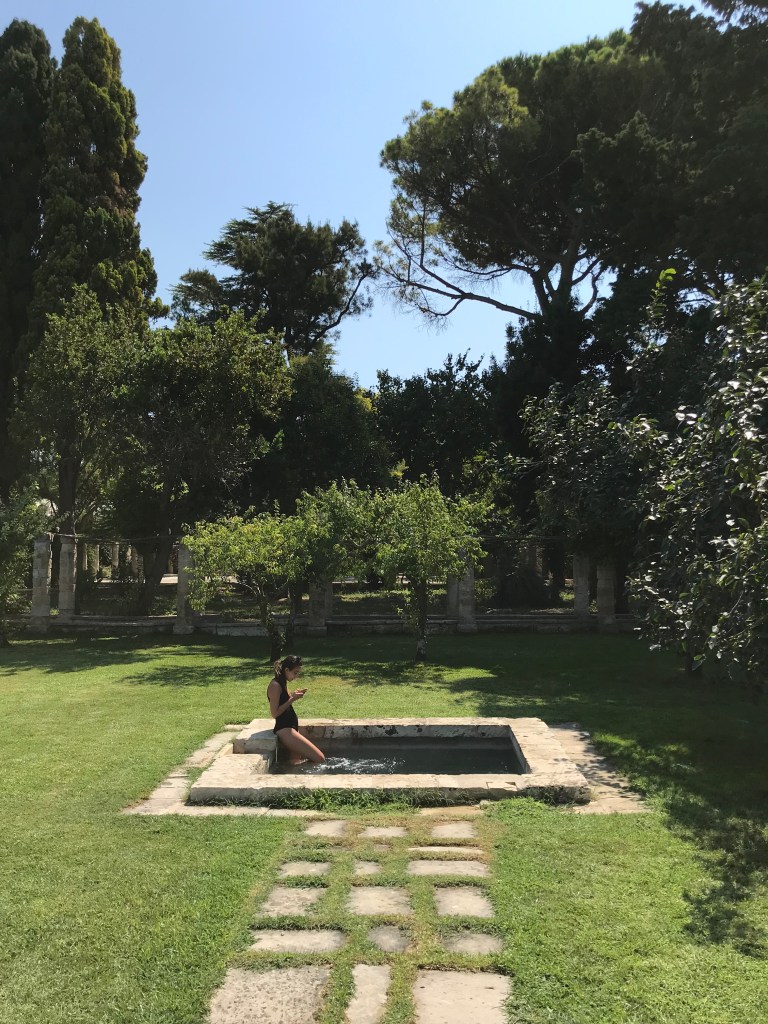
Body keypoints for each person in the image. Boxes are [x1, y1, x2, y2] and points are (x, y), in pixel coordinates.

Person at [267, 654, 325, 765]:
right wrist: (292, 699)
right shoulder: (275, 685)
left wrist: (294, 695)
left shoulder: (283, 682)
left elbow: (284, 702)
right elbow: (275, 713)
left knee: (295, 762)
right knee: (320, 759)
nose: (296, 676)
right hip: (285, 729)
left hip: (291, 727)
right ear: (287, 670)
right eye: (295, 673)